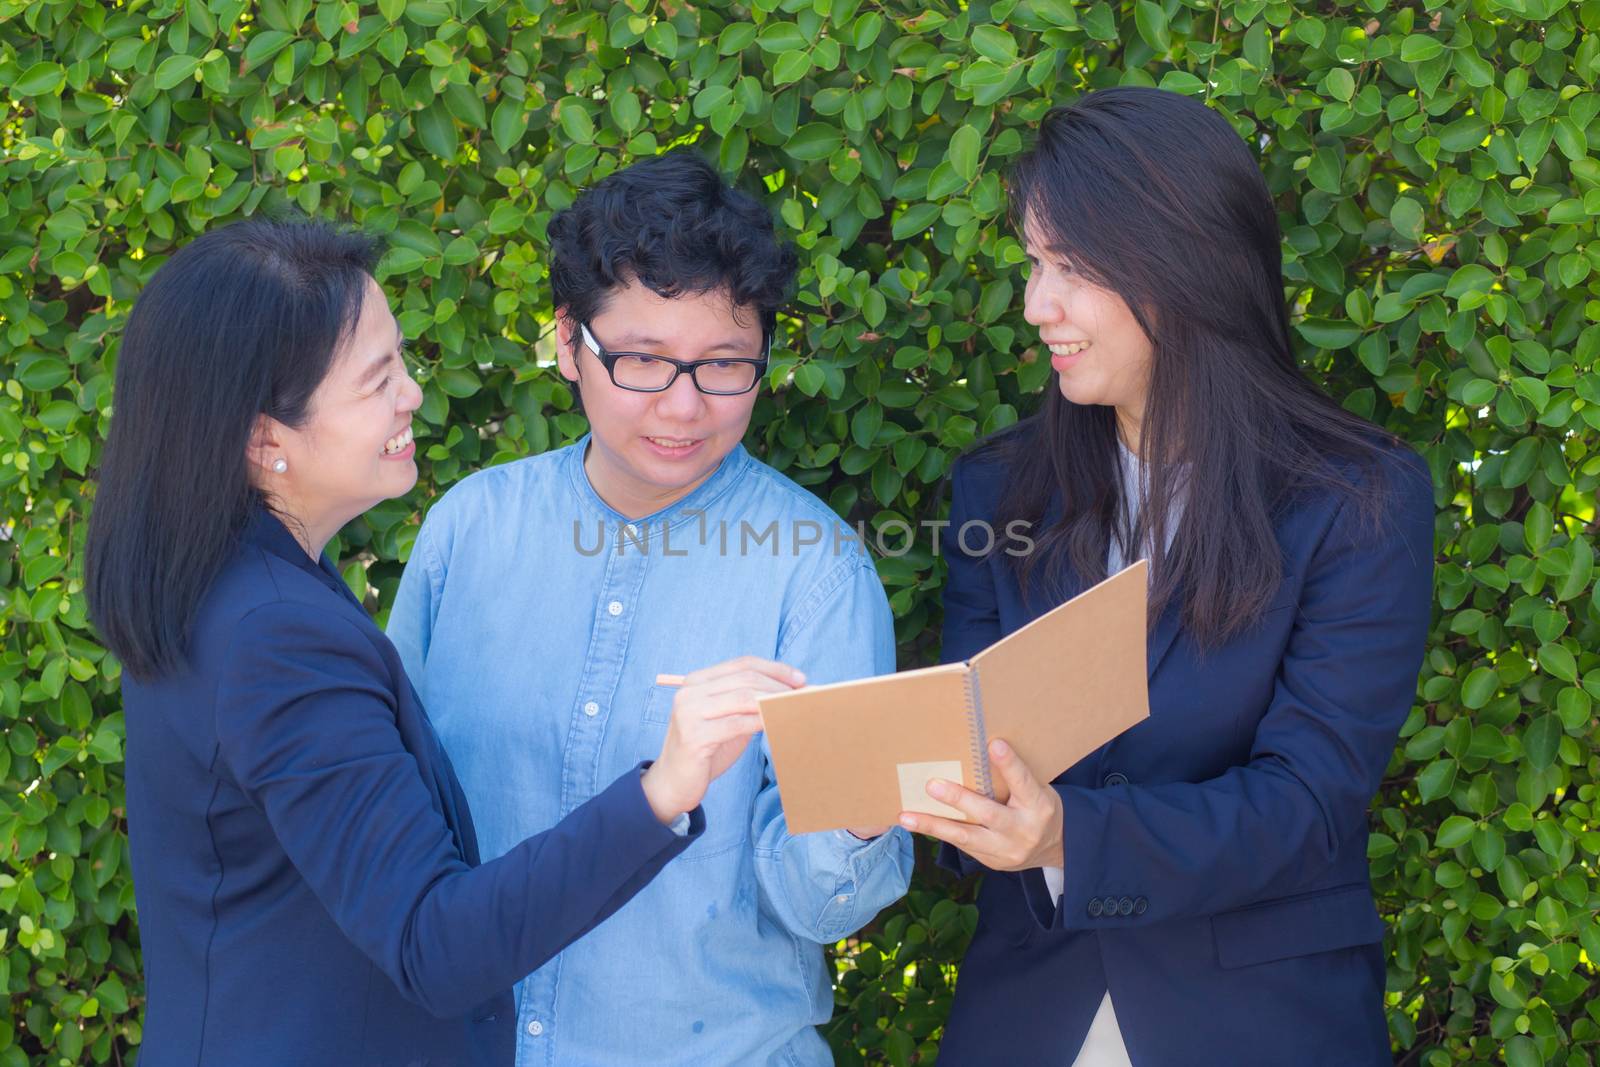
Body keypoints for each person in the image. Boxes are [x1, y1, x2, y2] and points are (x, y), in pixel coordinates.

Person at [84, 218, 765, 1066]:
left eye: (399, 360)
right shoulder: (276, 635)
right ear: (265, 439)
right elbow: (434, 947)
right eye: (376, 381)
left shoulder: (225, 581)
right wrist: (663, 790)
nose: (411, 393)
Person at [897, 87, 1435, 1065]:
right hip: (1029, 1008)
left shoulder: (1358, 498)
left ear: (1182, 264)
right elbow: (969, 739)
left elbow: (1307, 802)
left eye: (1067, 266)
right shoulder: (996, 489)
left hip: (1262, 1015)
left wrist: (1068, 833)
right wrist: (901, 786)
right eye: (1032, 263)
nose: (1033, 305)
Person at [387, 150, 914, 1066]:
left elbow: (822, 908)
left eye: (723, 366)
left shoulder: (817, 570)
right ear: (567, 344)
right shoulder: (468, 530)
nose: (683, 407)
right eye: (641, 361)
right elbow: (399, 822)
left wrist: (863, 815)